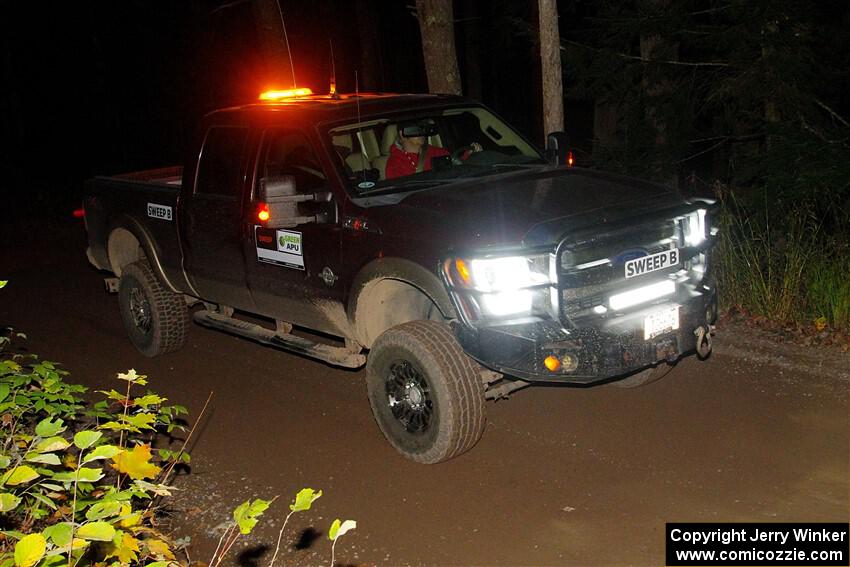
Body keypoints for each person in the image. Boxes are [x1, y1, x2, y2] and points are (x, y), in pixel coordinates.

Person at [385, 121, 482, 179]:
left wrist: (470, 155)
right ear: (402, 134)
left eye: (423, 129)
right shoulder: (394, 163)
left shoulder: (437, 152)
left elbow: (456, 167)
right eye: (416, 129)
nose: (422, 133)